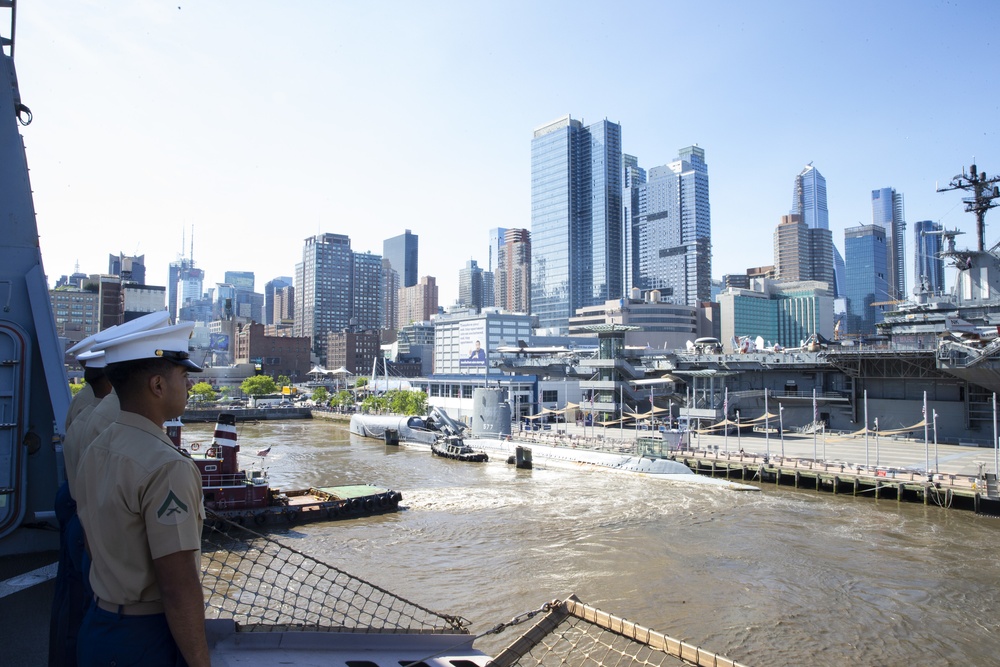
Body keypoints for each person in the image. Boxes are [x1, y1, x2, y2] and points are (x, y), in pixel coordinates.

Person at [74, 321, 209, 667]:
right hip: (147, 636)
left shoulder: (98, 447)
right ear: (158, 384)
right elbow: (178, 586)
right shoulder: (166, 467)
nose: (189, 384)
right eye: (183, 375)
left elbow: (91, 543)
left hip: (99, 625)